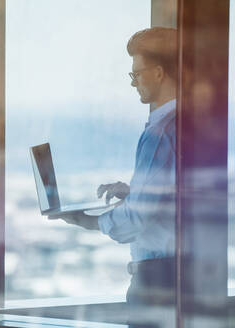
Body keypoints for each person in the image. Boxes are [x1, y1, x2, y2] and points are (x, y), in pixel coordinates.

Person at [50, 27, 177, 327]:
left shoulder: (161, 133)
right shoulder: (184, 124)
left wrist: (89, 220)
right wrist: (135, 192)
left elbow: (137, 219)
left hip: (156, 282)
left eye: (137, 74)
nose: (134, 83)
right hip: (173, 278)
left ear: (159, 73)